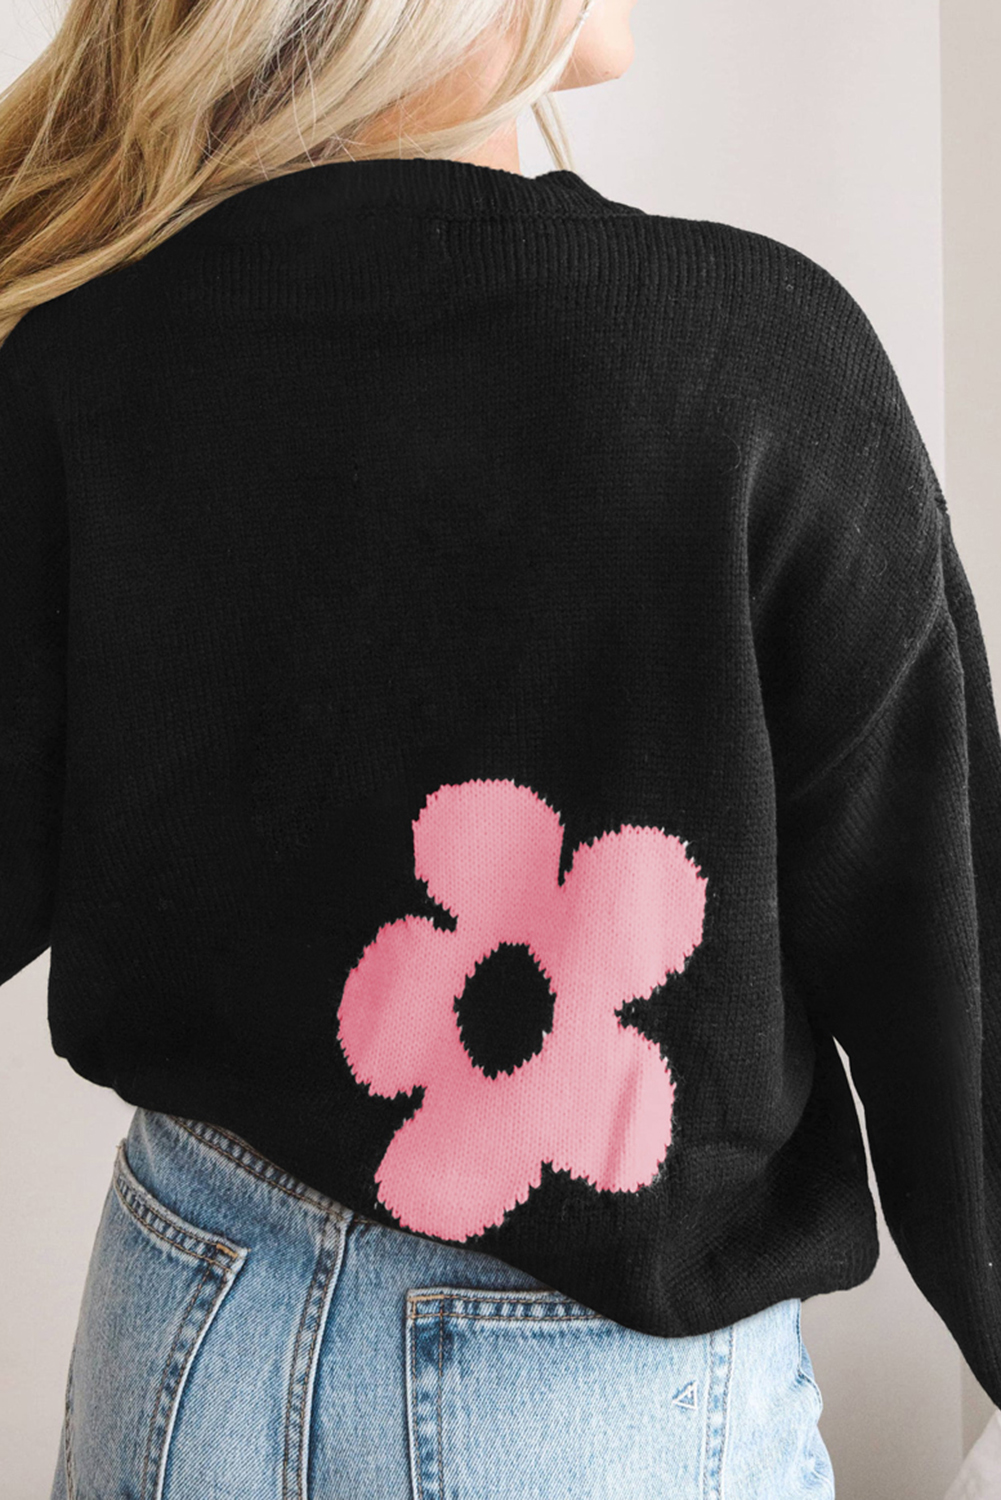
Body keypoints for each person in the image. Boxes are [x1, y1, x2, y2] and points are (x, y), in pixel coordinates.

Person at [0, 0, 997, 1494]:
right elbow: (948, 979)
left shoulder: (89, 350)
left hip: (185, 1330)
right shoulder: (750, 360)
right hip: (582, 1414)